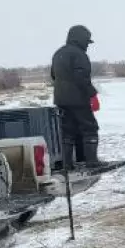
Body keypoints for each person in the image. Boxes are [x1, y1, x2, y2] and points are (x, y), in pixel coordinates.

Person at [51, 25, 100, 169]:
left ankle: (67, 164)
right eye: (87, 41)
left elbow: (53, 76)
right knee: (90, 127)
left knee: (67, 131)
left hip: (61, 99)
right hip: (78, 99)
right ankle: (91, 161)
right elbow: (81, 78)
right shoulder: (79, 54)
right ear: (81, 39)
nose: (87, 45)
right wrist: (92, 94)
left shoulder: (58, 53)